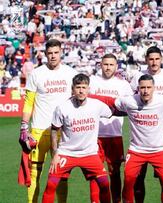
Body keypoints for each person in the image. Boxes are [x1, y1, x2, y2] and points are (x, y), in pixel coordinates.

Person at [91, 74, 163, 203]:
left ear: (154, 88)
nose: (145, 91)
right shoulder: (129, 101)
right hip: (137, 151)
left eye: (148, 87)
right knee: (128, 181)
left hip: (159, 151)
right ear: (138, 88)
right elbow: (108, 100)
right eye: (142, 88)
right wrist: (88, 96)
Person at [18, 39, 77, 203]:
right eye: (50, 53)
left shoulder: (70, 73)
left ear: (61, 52)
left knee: (61, 175)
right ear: (45, 54)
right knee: (35, 173)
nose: (53, 56)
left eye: (56, 52)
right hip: (38, 130)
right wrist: (24, 127)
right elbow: (29, 101)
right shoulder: (37, 74)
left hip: (62, 132)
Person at [42, 73, 111, 203]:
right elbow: (54, 131)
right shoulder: (62, 108)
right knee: (51, 185)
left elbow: (113, 111)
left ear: (88, 89)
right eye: (78, 87)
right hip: (66, 153)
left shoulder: (97, 105)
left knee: (105, 184)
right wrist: (55, 153)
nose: (81, 91)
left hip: (89, 154)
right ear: (72, 89)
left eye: (84, 87)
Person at [130, 46, 163, 203]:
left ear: (162, 60)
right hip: (141, 136)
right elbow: (131, 101)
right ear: (146, 60)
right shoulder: (138, 76)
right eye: (151, 59)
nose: (154, 62)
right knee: (138, 177)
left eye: (157, 59)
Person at [89, 54, 133, 203]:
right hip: (93, 136)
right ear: (100, 65)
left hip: (114, 135)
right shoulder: (92, 81)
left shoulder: (123, 85)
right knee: (95, 174)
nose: (108, 67)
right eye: (105, 64)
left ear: (116, 66)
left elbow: (129, 108)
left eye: (111, 65)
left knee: (115, 173)